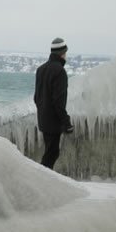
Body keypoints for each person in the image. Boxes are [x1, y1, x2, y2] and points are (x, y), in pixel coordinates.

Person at [34, 37, 74, 170]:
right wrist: (66, 122)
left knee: (50, 152)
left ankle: (42, 179)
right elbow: (59, 102)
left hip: (43, 120)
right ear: (62, 53)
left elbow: (36, 97)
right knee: (51, 154)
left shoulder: (41, 69)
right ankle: (41, 181)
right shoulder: (60, 72)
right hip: (53, 122)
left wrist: (43, 111)